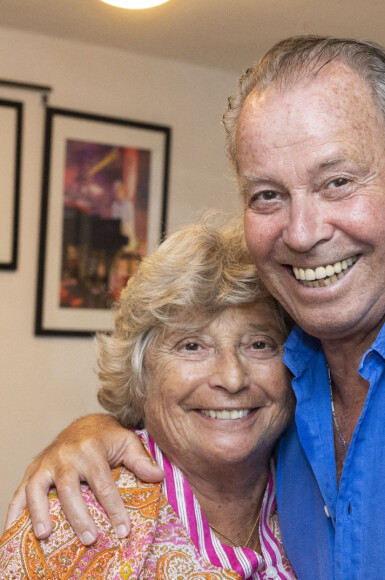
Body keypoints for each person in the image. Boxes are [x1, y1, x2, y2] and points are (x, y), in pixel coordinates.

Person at [6, 35, 385, 578]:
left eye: (336, 182)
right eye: (268, 195)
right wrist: (90, 430)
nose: (302, 234)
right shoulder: (292, 378)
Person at [1, 218, 296, 579]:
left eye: (259, 344)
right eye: (192, 346)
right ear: (140, 373)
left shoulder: (323, 486)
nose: (232, 378)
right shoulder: (75, 521)